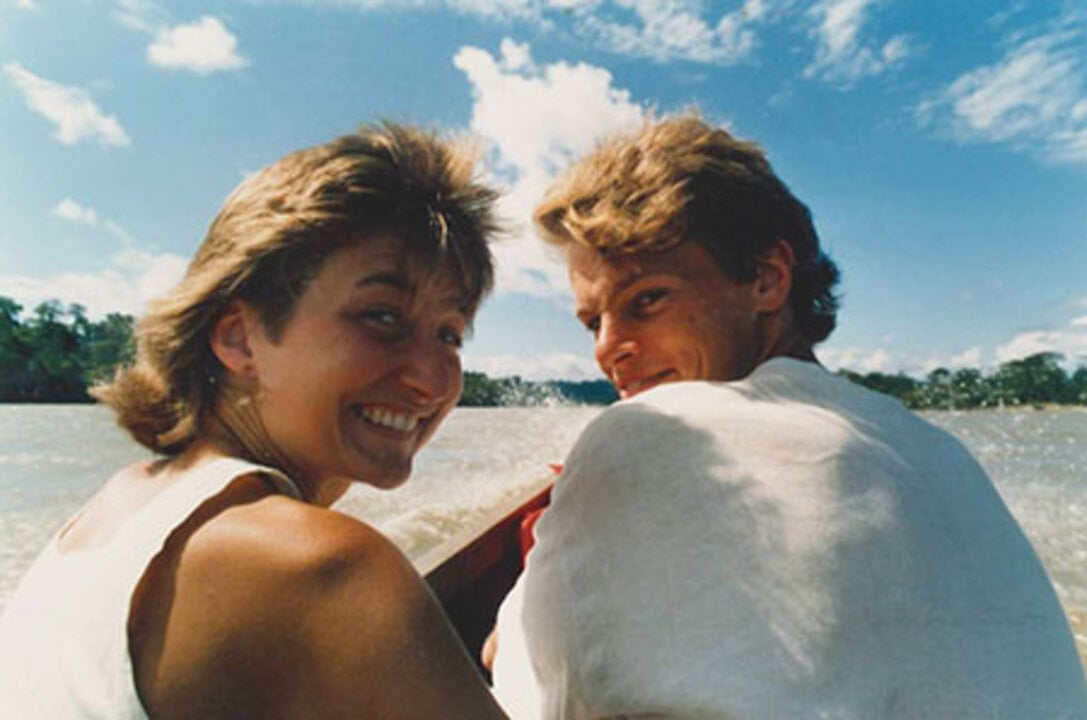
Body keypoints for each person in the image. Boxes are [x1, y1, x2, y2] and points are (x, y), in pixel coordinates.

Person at [490, 114, 1086, 718]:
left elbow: (529, 687)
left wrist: (524, 605)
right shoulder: (939, 449)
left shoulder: (645, 435)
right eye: (593, 321)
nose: (606, 349)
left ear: (767, 279)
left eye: (647, 299)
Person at [0, 122, 508, 719]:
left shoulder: (119, 503)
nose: (433, 379)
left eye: (449, 334)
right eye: (383, 317)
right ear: (239, 338)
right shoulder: (322, 565)